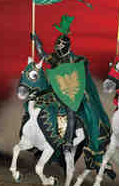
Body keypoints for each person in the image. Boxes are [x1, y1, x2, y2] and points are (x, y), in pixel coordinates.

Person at [31, 15, 112, 172]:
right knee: (37, 102)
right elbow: (44, 56)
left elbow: (80, 77)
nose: (57, 48)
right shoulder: (56, 58)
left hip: (72, 96)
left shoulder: (77, 60)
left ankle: (68, 142)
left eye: (60, 46)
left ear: (66, 46)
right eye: (56, 45)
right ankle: (36, 140)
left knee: (70, 111)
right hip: (57, 91)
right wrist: (37, 42)